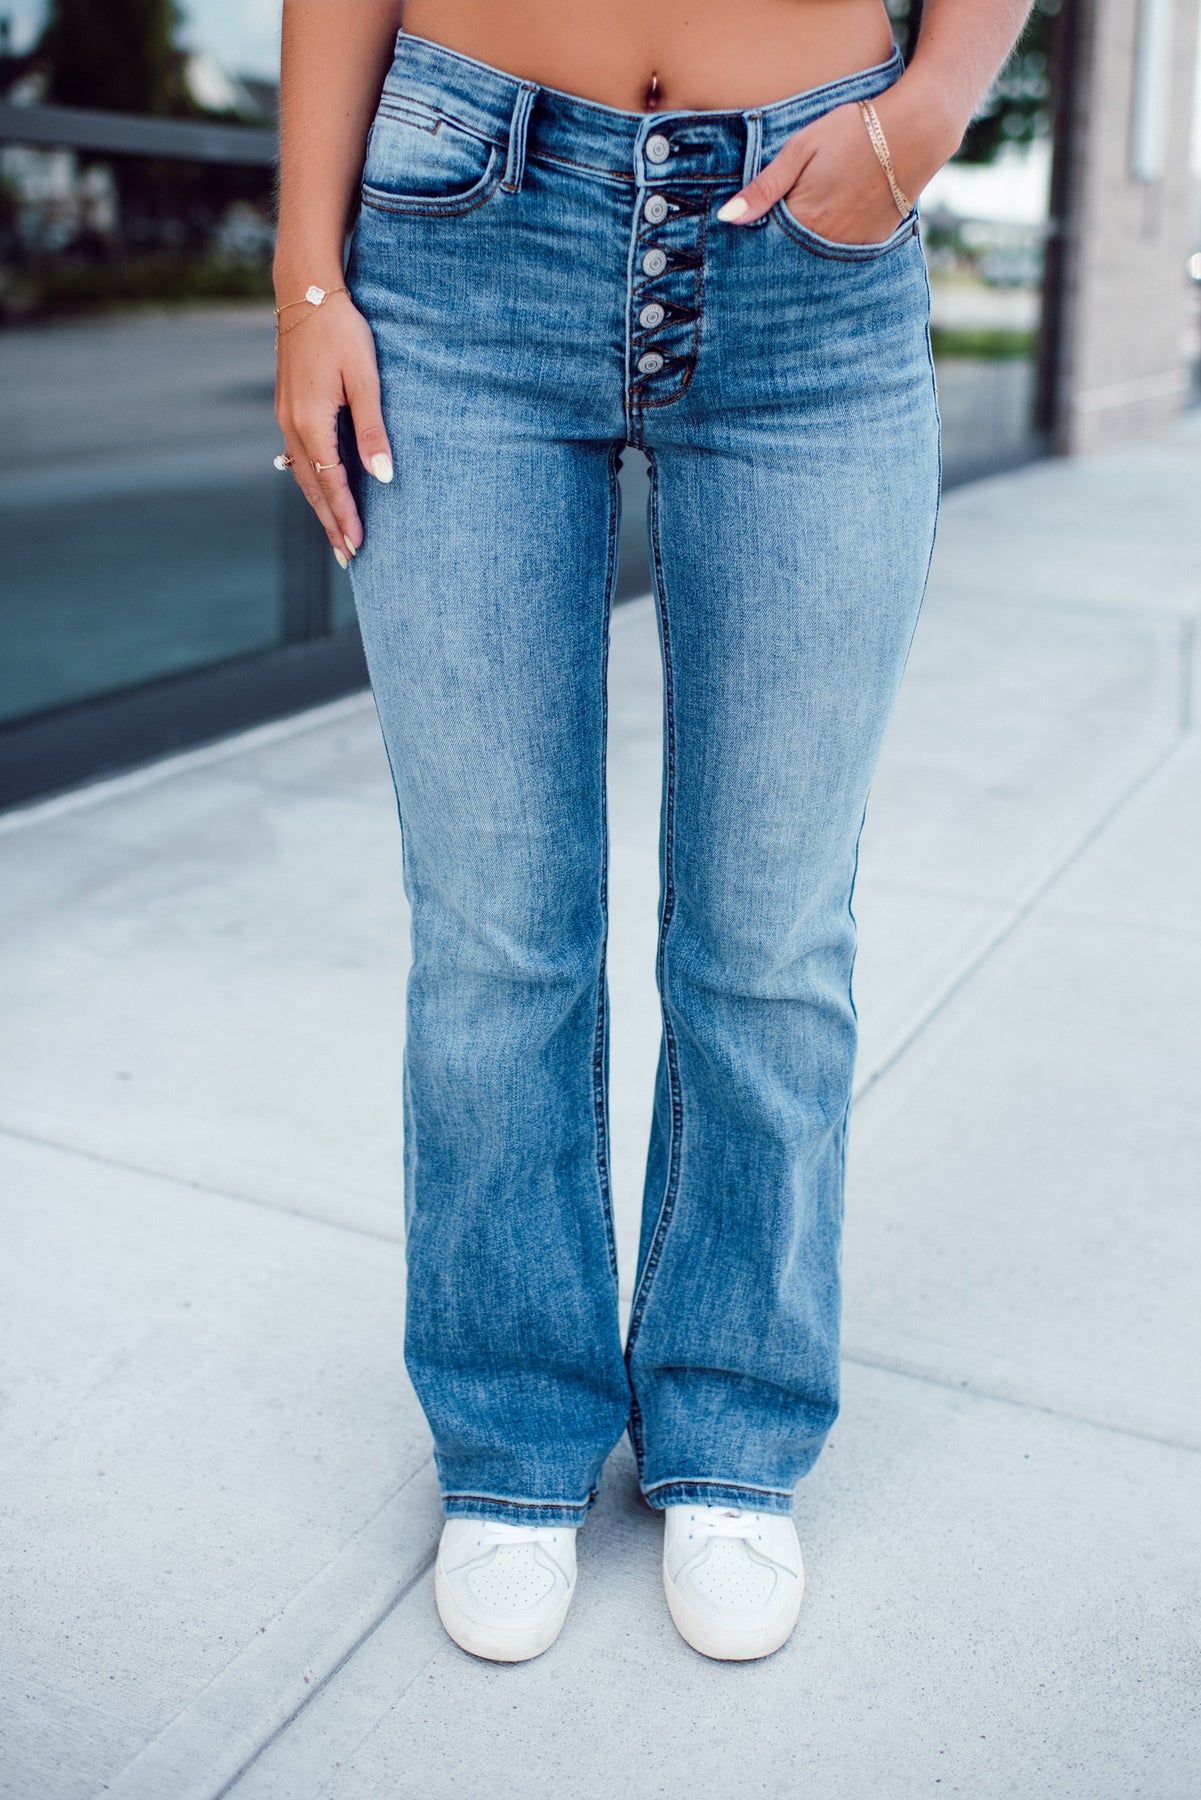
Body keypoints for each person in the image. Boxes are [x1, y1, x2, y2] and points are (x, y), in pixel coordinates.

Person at [273, 0, 1034, 1663]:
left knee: (768, 933)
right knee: (494, 934)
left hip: (807, 253)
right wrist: (307, 283)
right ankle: (511, 1439)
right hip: (459, 237)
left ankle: (731, 1425)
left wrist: (925, 115)